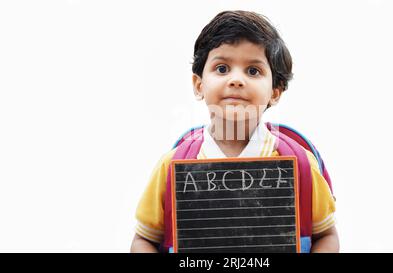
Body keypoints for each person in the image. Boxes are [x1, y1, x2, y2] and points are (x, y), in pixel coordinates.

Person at [130, 10, 339, 253]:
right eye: (221, 68)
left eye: (253, 71)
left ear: (275, 91)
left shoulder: (301, 163)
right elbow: (143, 239)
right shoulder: (172, 165)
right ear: (198, 85)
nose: (236, 80)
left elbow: (326, 235)